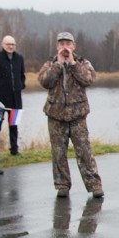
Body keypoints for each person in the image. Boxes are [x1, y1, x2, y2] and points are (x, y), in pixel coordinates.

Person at [37, 32, 103, 198]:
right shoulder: (50, 63)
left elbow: (88, 79)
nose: (65, 47)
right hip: (56, 115)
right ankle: (62, 185)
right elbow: (45, 81)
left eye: (68, 43)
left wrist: (73, 64)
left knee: (84, 152)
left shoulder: (83, 63)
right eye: (61, 44)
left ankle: (94, 185)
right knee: (58, 153)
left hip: (77, 115)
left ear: (73, 46)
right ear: (57, 46)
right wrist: (58, 65)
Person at [0, 34, 25, 156]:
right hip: (0, 98)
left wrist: (21, 85)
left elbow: (21, 75)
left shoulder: (19, 58)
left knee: (14, 125)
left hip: (16, 98)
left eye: (13, 44)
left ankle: (14, 149)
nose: (11, 46)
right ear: (3, 45)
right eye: (8, 44)